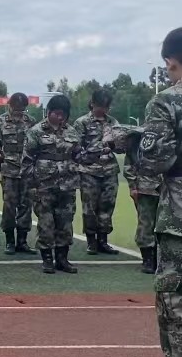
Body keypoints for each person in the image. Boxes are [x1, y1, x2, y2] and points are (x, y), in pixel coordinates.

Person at [141, 27, 182, 357]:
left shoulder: (168, 101)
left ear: (171, 61)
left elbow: (156, 161)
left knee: (176, 307)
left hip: (180, 220)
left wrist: (136, 144)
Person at [21, 94, 81, 274]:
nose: (60, 117)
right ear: (49, 112)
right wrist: (32, 186)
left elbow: (78, 155)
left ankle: (62, 258)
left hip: (67, 185)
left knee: (65, 223)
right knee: (46, 224)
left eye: (63, 114)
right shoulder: (35, 132)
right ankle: (47, 259)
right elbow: (27, 161)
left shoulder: (72, 132)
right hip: (44, 186)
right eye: (57, 113)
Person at [73, 89, 121, 255]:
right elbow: (76, 148)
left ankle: (103, 241)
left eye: (106, 107)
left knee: (107, 206)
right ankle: (91, 241)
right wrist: (96, 149)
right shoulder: (82, 123)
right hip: (89, 171)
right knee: (90, 208)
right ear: (92, 104)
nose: (103, 110)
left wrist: (117, 144)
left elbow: (120, 146)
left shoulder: (113, 122)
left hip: (109, 170)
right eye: (101, 106)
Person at [0, 93, 37, 254]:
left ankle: (22, 241)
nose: (18, 112)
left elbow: (36, 145)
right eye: (15, 109)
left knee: (26, 206)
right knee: (9, 206)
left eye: (21, 110)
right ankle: (10, 240)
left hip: (27, 170)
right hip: (8, 171)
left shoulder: (31, 122)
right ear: (9, 106)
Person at [112, 124, 157, 274]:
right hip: (145, 188)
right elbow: (129, 165)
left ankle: (161, 257)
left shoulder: (171, 135)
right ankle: (148, 259)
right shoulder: (137, 139)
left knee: (166, 224)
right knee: (146, 223)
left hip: (168, 188)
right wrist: (133, 187)